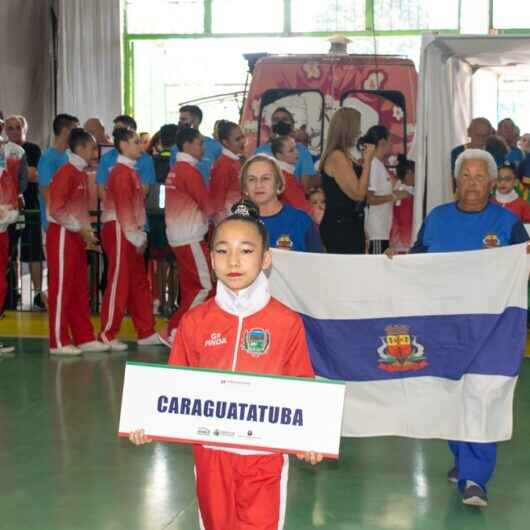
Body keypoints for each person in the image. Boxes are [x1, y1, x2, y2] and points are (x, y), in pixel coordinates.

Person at [129, 199, 322, 530]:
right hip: (210, 455)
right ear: (211, 260)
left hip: (265, 458)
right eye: (222, 250)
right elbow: (173, 387)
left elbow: (302, 385)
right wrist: (147, 420)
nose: (233, 260)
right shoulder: (194, 321)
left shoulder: (286, 322)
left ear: (266, 259)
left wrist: (309, 437)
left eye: (246, 251)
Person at [387, 149, 529, 507]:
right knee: (451, 394)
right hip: (444, 324)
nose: (472, 184)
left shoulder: (507, 223)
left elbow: (521, 268)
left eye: (481, 177)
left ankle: (475, 479)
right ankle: (462, 457)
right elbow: (419, 259)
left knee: (482, 394)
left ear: (493, 183)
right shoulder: (437, 218)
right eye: (466, 176)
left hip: (492, 328)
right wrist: (395, 262)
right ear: (455, 181)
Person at [99, 128, 162, 351]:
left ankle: (146, 331)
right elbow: (124, 206)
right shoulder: (120, 173)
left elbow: (135, 206)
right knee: (119, 280)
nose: (140, 146)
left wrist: (140, 232)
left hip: (130, 230)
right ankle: (107, 333)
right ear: (123, 145)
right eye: (136, 142)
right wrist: (135, 234)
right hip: (118, 228)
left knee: (137, 281)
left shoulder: (130, 171)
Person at [46, 129, 109, 355]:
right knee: (62, 289)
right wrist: (81, 229)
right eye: (93, 148)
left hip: (73, 236)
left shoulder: (80, 173)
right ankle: (58, 341)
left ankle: (83, 337)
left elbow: (78, 211)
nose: (96, 152)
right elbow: (56, 209)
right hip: (62, 235)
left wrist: (88, 233)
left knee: (78, 288)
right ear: (80, 149)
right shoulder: (67, 173)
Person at [164, 127, 214, 343]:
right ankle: (177, 330)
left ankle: (177, 330)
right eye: (200, 143)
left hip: (178, 236)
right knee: (206, 286)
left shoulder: (176, 169)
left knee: (192, 287)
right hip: (190, 237)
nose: (203, 148)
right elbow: (208, 205)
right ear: (187, 145)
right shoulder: (189, 172)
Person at [318, 108, 374, 254]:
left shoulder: (343, 156)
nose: (359, 132)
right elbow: (358, 194)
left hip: (350, 223)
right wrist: (367, 162)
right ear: (348, 128)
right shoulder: (337, 157)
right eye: (357, 127)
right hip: (340, 228)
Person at [4, 115, 46, 309]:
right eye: (10, 127)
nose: (14, 131)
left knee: (34, 250)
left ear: (24, 129)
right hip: (7, 209)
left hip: (30, 206)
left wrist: (13, 174)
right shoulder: (4, 150)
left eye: (17, 127)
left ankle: (38, 293)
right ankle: (12, 291)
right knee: (10, 251)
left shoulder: (32, 149)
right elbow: (22, 175)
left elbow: (31, 175)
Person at [241, 154, 323, 252]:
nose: (258, 185)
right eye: (252, 179)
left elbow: (319, 262)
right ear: (245, 187)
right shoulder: (235, 223)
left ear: (278, 183)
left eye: (265, 178)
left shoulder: (301, 221)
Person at [363, 125, 410, 254]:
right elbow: (369, 198)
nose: (392, 145)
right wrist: (394, 196)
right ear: (382, 143)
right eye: (390, 141)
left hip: (382, 229)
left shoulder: (379, 165)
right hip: (376, 231)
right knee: (376, 267)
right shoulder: (373, 165)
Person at [0, 133, 27, 351]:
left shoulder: (10, 164)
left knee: (1, 284)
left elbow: (17, 194)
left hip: (3, 233)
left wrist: (10, 213)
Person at [255, 107, 316, 190]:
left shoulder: (301, 149)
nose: (280, 122)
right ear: (271, 125)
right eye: (276, 120)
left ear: (292, 124)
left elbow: (305, 184)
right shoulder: (260, 151)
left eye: (284, 119)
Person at [38, 114, 80, 233]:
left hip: (70, 222)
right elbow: (46, 192)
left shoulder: (70, 156)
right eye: (76, 129)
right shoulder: (48, 158)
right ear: (65, 131)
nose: (79, 135)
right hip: (55, 225)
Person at [96, 115, 156, 196]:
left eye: (120, 131)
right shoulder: (106, 158)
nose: (117, 135)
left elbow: (144, 190)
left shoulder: (146, 159)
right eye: (115, 132)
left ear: (132, 133)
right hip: (111, 206)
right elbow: (101, 191)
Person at [170, 105, 222, 185]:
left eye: (184, 120)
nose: (180, 123)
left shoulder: (215, 146)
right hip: (184, 195)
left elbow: (220, 177)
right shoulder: (175, 148)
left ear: (196, 121)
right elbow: (173, 178)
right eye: (180, 120)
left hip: (207, 194)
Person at [209, 120, 244, 224]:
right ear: (225, 142)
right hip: (227, 221)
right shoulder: (223, 164)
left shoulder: (235, 160)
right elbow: (217, 199)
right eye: (237, 139)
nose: (242, 141)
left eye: (242, 137)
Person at [271, 135, 312, 214]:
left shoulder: (280, 173)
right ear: (279, 156)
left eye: (296, 148)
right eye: (291, 150)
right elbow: (302, 207)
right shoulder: (285, 177)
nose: (296, 152)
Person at [389, 155, 415, 252]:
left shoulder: (398, 189)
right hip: (405, 241)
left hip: (398, 240)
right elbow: (404, 220)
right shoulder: (405, 194)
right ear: (409, 172)